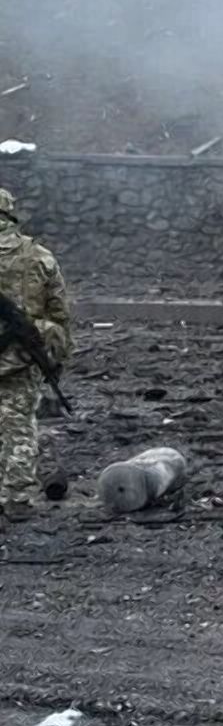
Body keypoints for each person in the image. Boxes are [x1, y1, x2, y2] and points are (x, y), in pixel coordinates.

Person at [0, 186, 73, 516]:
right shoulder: (39, 257)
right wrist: (58, 357)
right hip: (21, 359)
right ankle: (16, 497)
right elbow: (59, 314)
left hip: (19, 348)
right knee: (17, 427)